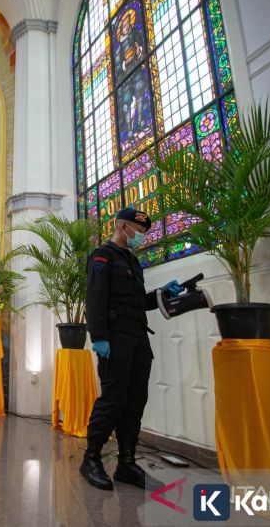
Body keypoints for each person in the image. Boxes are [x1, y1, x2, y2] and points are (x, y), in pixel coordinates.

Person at [80, 207, 184, 491]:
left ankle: (127, 463)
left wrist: (162, 293)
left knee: (135, 400)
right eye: (139, 231)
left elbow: (136, 301)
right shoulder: (102, 256)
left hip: (138, 339)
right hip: (114, 341)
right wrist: (99, 337)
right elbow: (96, 299)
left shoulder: (132, 261)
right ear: (122, 226)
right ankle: (91, 459)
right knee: (112, 400)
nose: (142, 236)